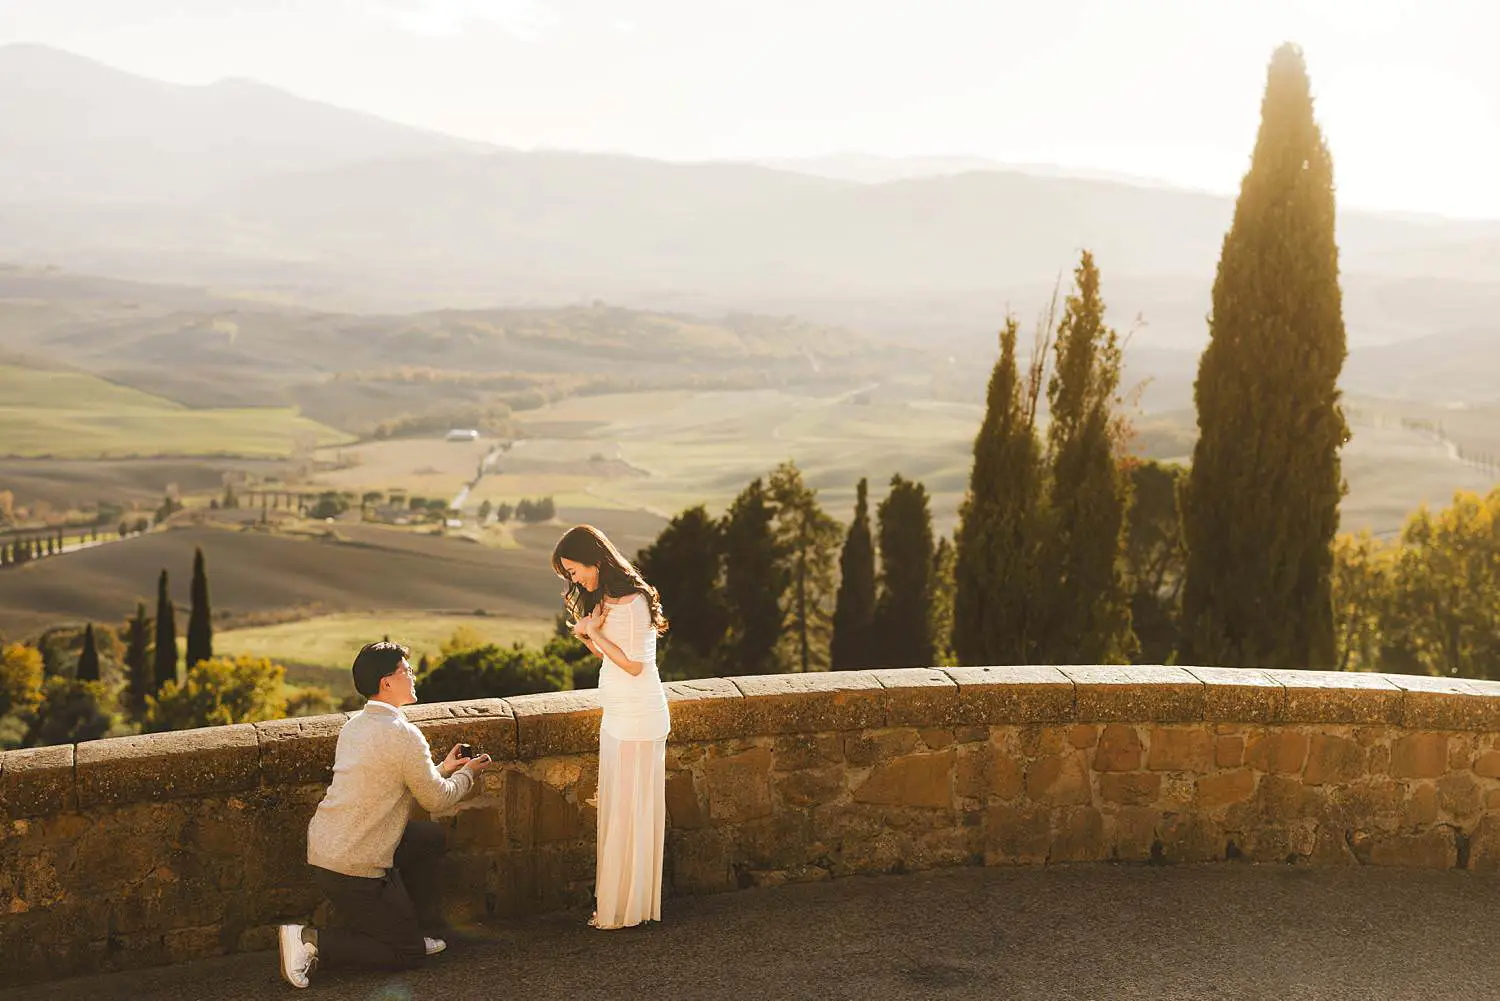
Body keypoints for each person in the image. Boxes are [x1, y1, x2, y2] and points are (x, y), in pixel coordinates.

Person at [277, 641, 493, 989]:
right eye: (406, 670)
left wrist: (443, 768)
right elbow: (438, 800)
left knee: (428, 839)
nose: (413, 674)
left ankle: (411, 928)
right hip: (353, 866)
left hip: (329, 848)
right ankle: (311, 939)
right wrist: (468, 774)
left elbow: (392, 781)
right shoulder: (404, 735)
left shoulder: (355, 725)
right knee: (407, 956)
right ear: (386, 682)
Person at [551, 524, 671, 930]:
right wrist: (590, 634)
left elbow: (635, 664)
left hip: (639, 712)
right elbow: (606, 653)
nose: (573, 579)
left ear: (595, 559)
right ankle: (617, 903)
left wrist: (595, 630)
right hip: (618, 710)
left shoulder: (634, 601)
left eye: (574, 570)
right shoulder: (603, 598)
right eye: (568, 574)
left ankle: (630, 907)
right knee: (618, 808)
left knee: (631, 810)